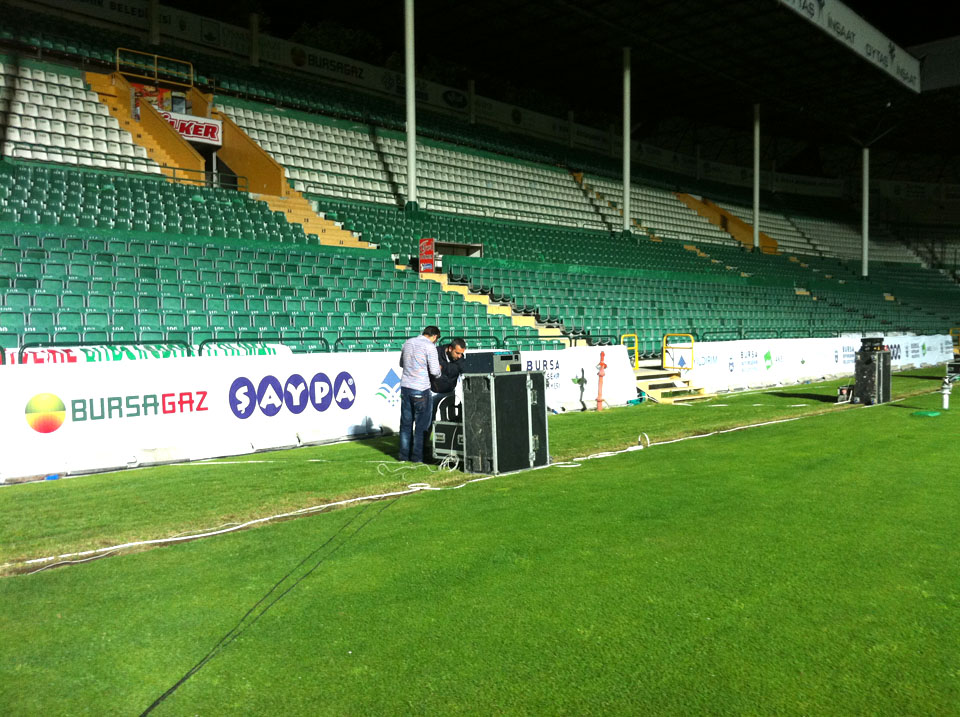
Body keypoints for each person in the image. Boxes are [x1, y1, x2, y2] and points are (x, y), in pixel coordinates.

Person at [398, 326, 442, 462]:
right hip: (421, 388)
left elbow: (401, 363)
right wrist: (439, 371)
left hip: (406, 386)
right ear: (434, 336)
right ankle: (417, 457)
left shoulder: (408, 342)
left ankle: (403, 456)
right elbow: (435, 371)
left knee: (406, 424)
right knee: (421, 426)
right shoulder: (429, 346)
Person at [421, 338, 467, 459]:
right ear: (450, 348)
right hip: (433, 391)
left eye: (461, 353)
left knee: (450, 420)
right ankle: (423, 447)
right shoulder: (435, 353)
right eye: (457, 353)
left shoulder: (460, 358)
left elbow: (461, 369)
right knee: (428, 420)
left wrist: (444, 367)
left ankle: (450, 446)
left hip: (450, 391)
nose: (459, 356)